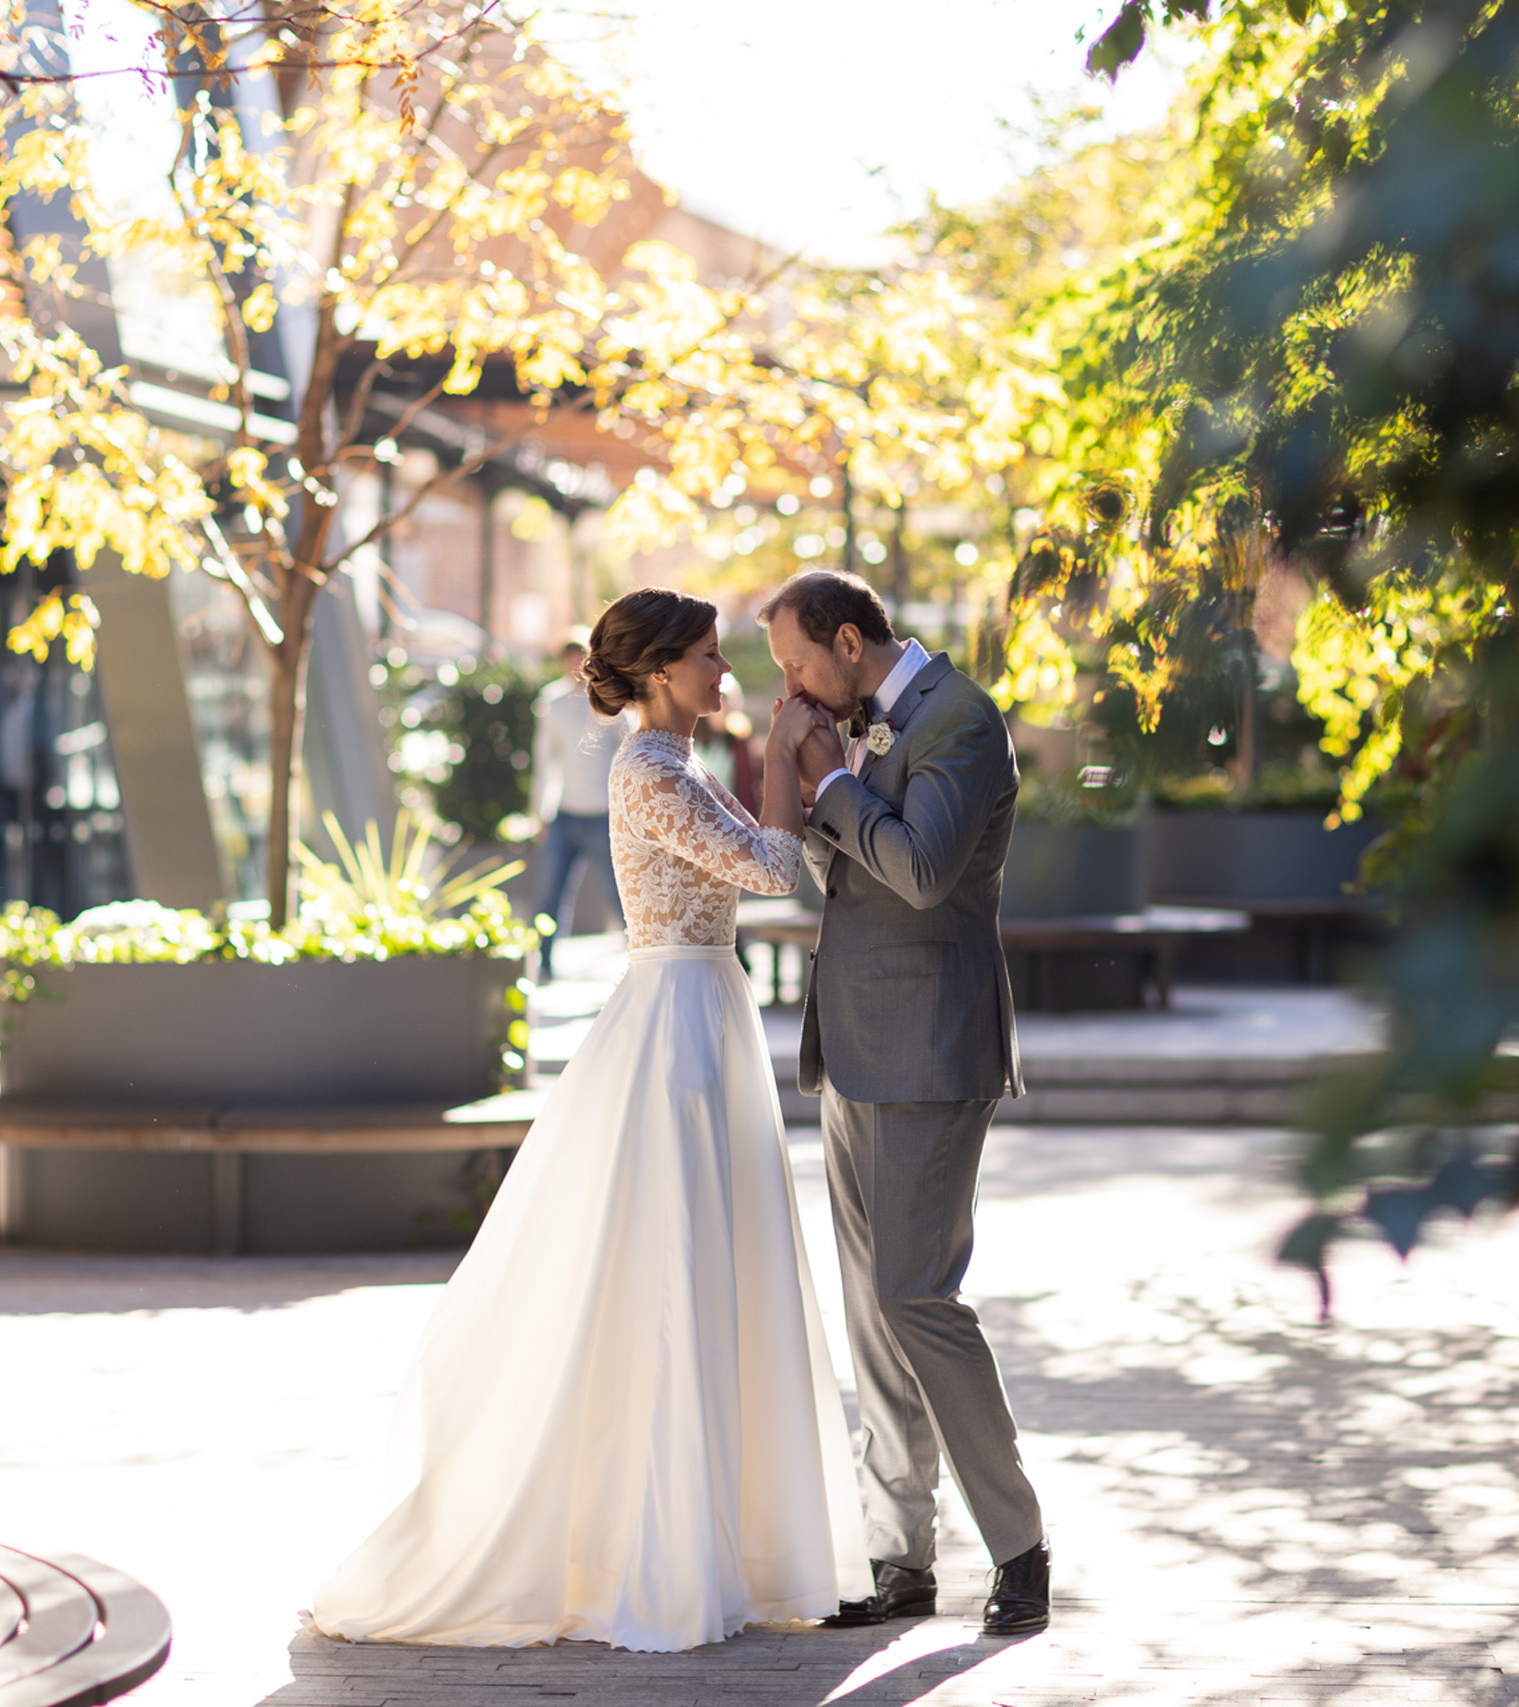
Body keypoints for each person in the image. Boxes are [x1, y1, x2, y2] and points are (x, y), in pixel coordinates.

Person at [310, 588, 870, 1652]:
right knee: (669, 1271)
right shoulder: (649, 771)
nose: (727, 675)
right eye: (708, 657)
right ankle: (659, 1555)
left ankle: (716, 1545)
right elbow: (767, 867)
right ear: (660, 671)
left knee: (711, 1271)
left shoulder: (672, 766)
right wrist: (798, 763)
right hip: (674, 1025)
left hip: (704, 1012)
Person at [761, 567, 1052, 1638]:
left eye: (795, 664)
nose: (788, 686)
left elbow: (924, 870)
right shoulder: (865, 724)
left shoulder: (959, 719)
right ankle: (900, 1555)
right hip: (852, 1049)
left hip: (931, 1047)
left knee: (919, 1300)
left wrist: (829, 780)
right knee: (871, 1315)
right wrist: (811, 774)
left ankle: (1019, 1547)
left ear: (848, 641)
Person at [529, 633, 626, 981]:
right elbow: (544, 760)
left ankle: (639, 964)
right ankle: (543, 963)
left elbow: (627, 749)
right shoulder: (552, 702)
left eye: (580, 657)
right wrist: (538, 812)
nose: (575, 664)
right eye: (569, 657)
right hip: (565, 814)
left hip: (603, 814)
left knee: (619, 894)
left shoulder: (608, 700)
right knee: (551, 893)